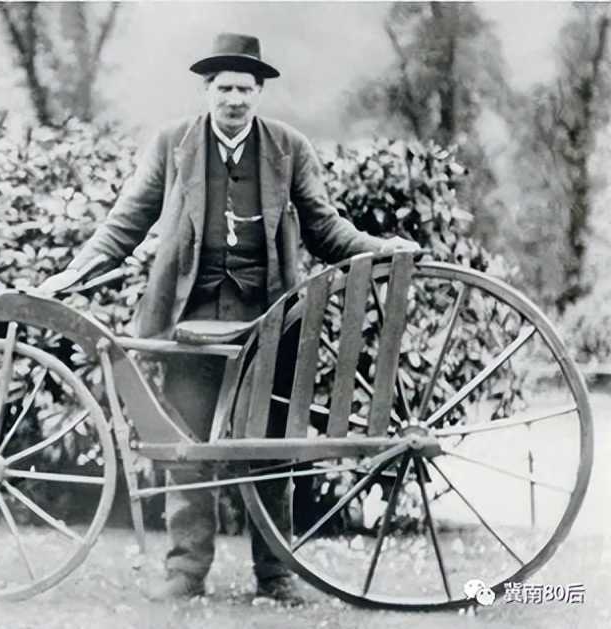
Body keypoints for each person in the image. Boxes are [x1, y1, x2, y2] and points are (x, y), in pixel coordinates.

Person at [39, 32, 418, 602]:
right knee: (187, 447)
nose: (234, 99)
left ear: (259, 92)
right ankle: (186, 572)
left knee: (271, 449)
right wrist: (74, 273)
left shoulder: (288, 148)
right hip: (189, 322)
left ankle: (276, 574)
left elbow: (325, 228)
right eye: (224, 88)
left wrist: (381, 248)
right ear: (207, 90)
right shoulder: (174, 144)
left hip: (271, 322)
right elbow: (127, 221)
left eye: (245, 89)